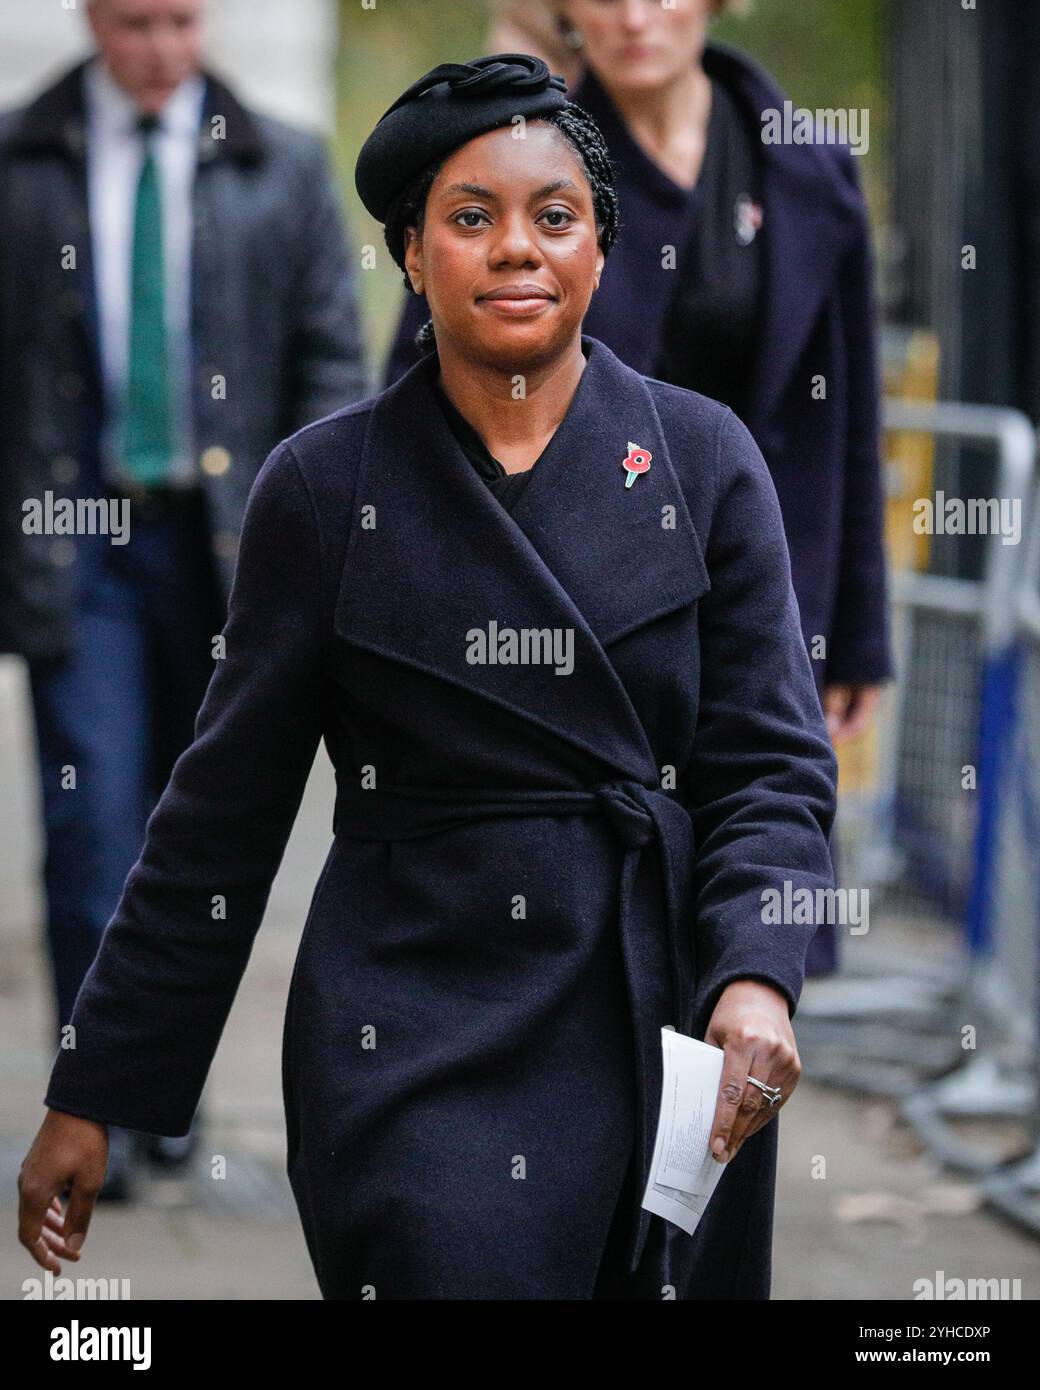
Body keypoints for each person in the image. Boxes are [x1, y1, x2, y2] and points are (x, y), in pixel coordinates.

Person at [18, 54, 838, 1300]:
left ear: (599, 252)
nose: (516, 247)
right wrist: (96, 1090)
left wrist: (756, 973)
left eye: (552, 216)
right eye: (471, 217)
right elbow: (218, 819)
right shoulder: (321, 486)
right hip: (407, 1026)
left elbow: (770, 766)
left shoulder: (703, 461)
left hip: (647, 1013)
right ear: (410, 254)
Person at [387, 2, 895, 978]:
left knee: (754, 854)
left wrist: (855, 627)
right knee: (578, 910)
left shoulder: (804, 165)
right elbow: (421, 378)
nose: (629, 17)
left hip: (758, 582)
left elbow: (849, 410)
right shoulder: (519, 166)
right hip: (564, 587)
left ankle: (723, 1080)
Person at [0, 0, 368, 1193]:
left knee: (195, 831)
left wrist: (312, 539)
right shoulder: (22, 160)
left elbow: (326, 360)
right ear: (89, 20)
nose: (154, 47)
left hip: (228, 557)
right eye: (129, 22)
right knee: (89, 825)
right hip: (82, 545)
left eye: (174, 21)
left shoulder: (282, 165)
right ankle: (94, 1101)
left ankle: (169, 1096)